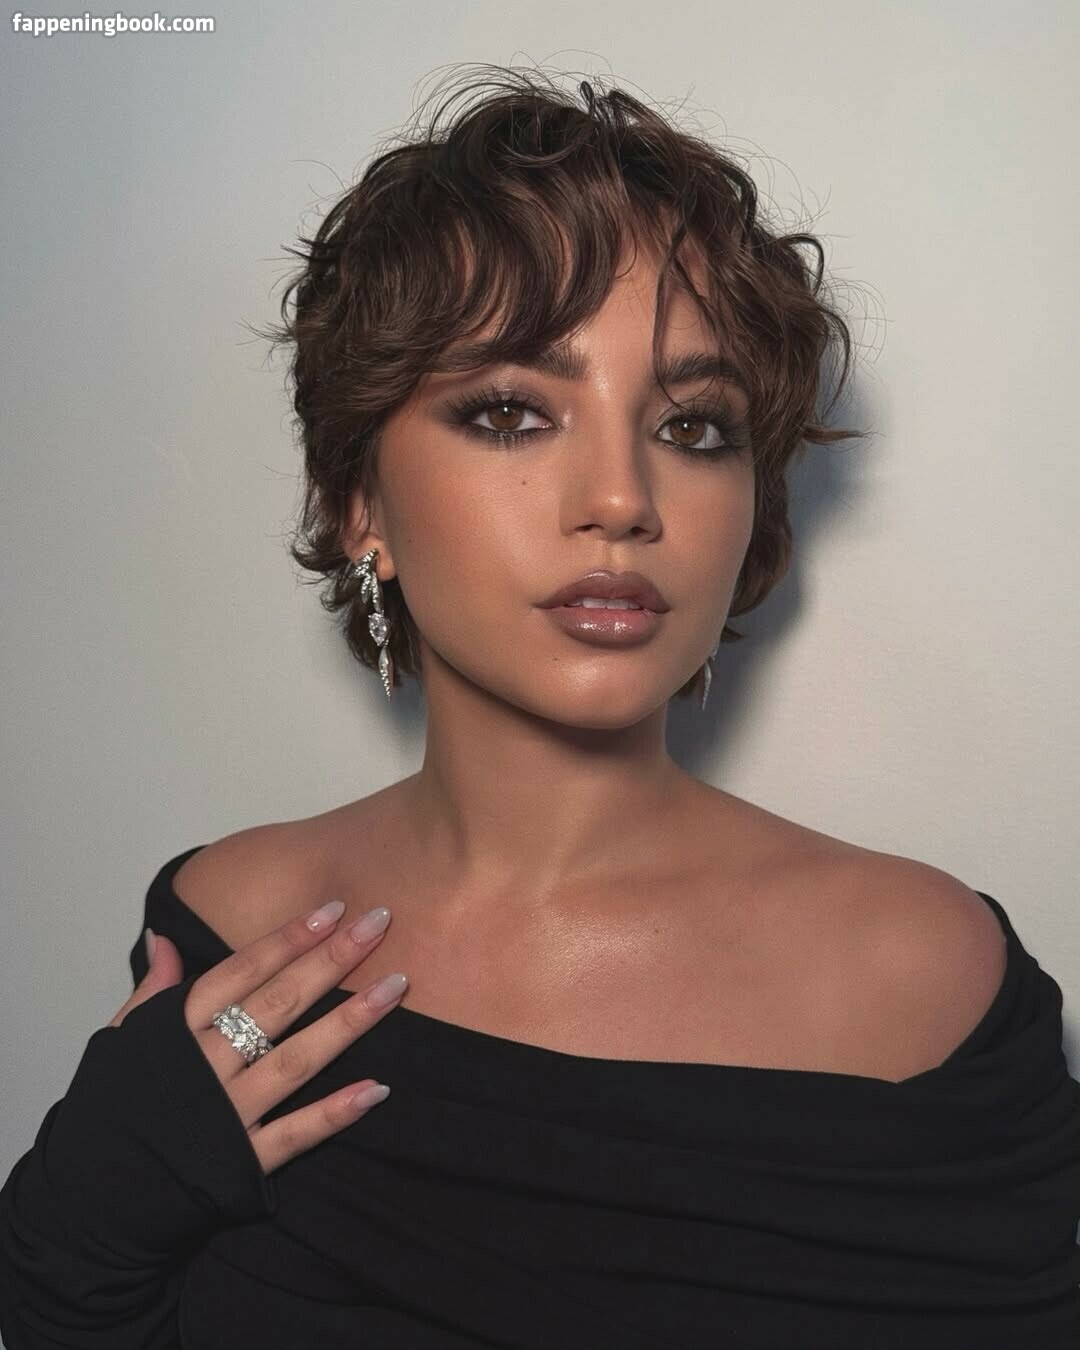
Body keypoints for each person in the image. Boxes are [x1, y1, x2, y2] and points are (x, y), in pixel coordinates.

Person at [3, 64, 1080, 1349]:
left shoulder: (922, 976)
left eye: (694, 429)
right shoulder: (233, 925)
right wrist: (70, 1231)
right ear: (358, 503)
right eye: (511, 412)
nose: (621, 499)